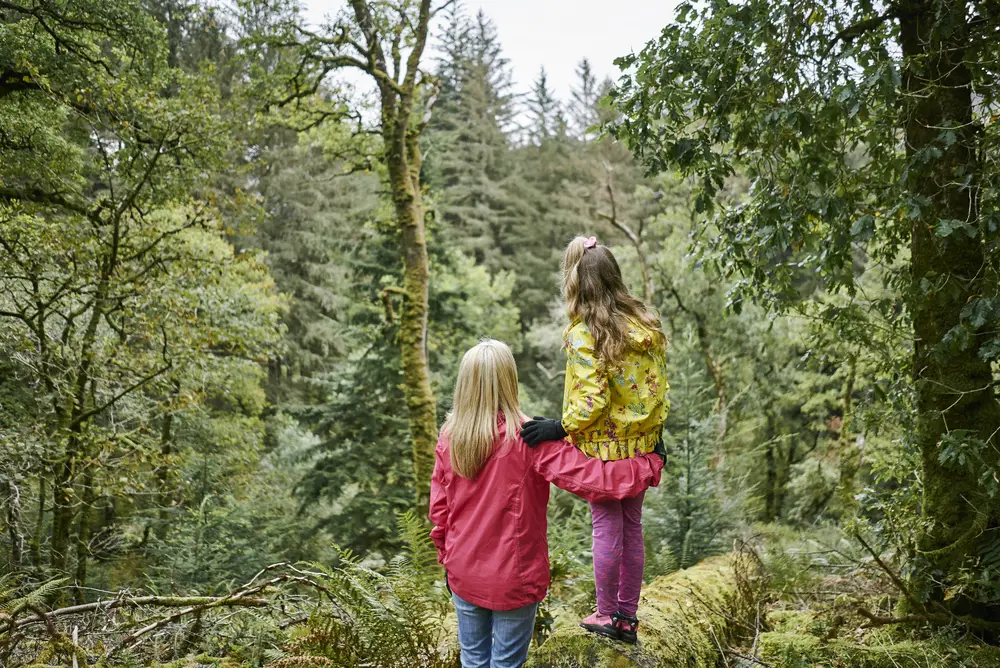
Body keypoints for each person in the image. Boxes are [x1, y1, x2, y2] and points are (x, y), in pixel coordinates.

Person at [429, 339, 663, 668]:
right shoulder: (530, 439)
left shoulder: (450, 437)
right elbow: (597, 481)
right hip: (515, 579)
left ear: (464, 384)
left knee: (473, 662)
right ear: (510, 381)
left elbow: (440, 512)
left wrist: (448, 559)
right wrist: (648, 463)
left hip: (463, 574)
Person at [520, 235, 670, 644]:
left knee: (606, 526)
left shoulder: (584, 334)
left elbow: (592, 400)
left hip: (603, 452)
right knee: (632, 527)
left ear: (575, 281)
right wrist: (655, 435)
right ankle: (628, 618)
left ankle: (606, 614)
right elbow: (656, 388)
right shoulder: (644, 326)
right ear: (614, 277)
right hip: (641, 447)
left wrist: (561, 427)